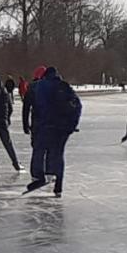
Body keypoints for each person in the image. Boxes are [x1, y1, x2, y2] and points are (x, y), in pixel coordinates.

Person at [24, 67, 82, 197]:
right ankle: (58, 187)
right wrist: (72, 125)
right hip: (62, 128)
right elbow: (77, 105)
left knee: (39, 150)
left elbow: (34, 107)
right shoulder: (64, 86)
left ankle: (38, 177)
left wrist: (32, 124)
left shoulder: (40, 86)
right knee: (58, 155)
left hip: (45, 126)